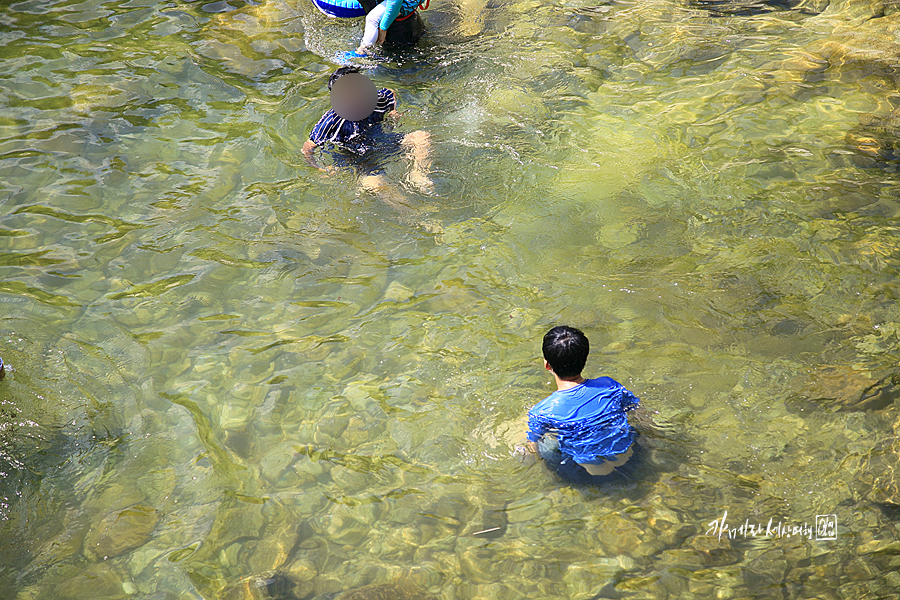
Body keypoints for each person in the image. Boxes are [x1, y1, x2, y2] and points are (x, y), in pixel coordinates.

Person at [301, 67, 433, 211]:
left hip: (381, 142)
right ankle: (416, 215)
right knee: (377, 185)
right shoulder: (332, 121)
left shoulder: (376, 100)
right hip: (356, 159)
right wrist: (321, 169)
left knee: (421, 137)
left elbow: (390, 92)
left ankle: (419, 177)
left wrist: (394, 112)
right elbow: (308, 147)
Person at [525, 325, 640, 481]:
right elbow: (637, 411)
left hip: (589, 470)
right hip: (628, 454)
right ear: (585, 359)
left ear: (547, 365)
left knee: (528, 433)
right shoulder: (609, 386)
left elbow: (533, 446)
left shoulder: (542, 411)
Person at [352, 0, 425, 56]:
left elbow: (395, 3)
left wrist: (383, 27)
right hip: (406, 8)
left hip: (403, 6)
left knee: (372, 19)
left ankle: (363, 50)